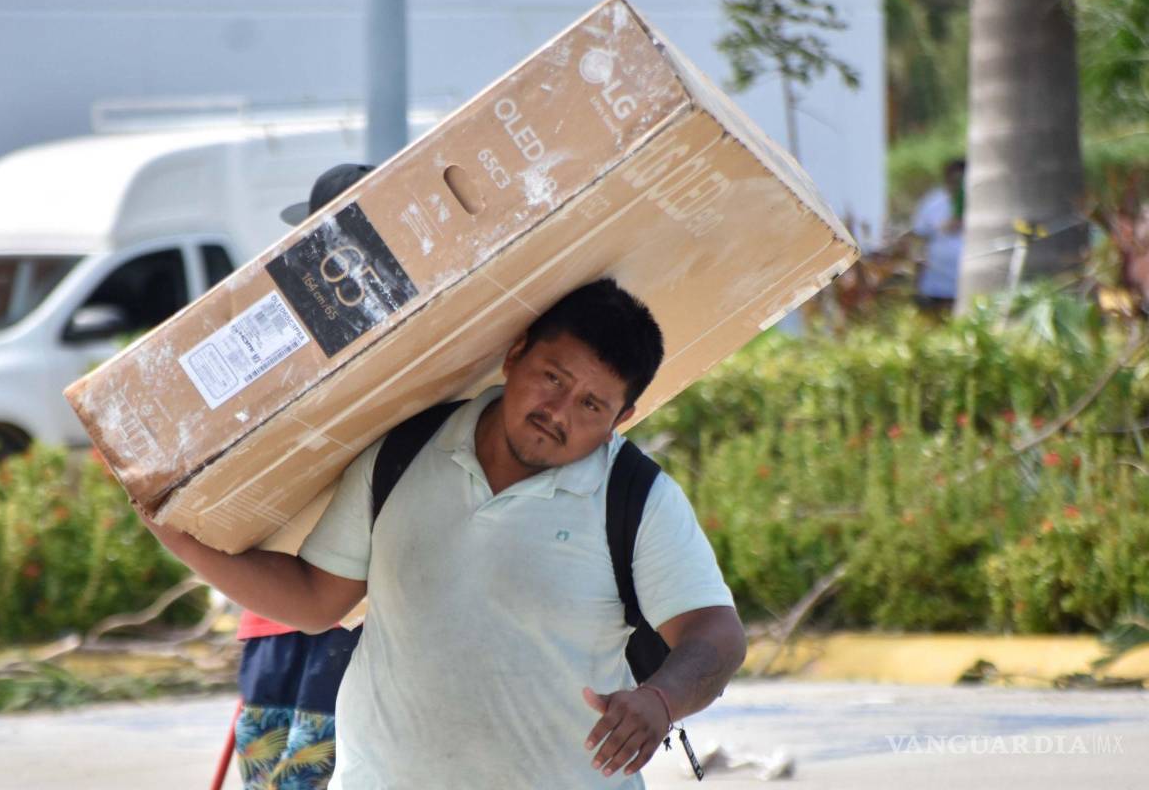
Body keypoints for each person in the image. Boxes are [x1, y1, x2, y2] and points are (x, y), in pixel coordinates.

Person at [141, 278, 746, 788]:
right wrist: (179, 534)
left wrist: (660, 700)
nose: (558, 412)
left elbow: (716, 633)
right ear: (515, 355)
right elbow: (313, 598)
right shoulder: (404, 451)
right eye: (553, 378)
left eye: (592, 405)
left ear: (621, 419)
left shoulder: (635, 497)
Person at [231, 162, 374, 790]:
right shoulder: (301, 327)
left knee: (296, 773)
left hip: (332, 600)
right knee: (293, 773)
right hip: (302, 601)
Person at [911, 158, 966, 312]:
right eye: (954, 179)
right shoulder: (932, 202)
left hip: (966, 283)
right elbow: (919, 238)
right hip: (936, 282)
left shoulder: (983, 202)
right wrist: (916, 277)